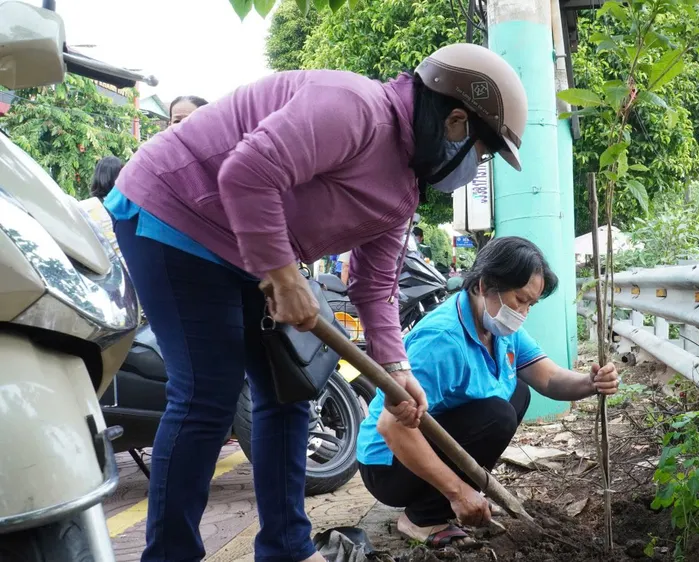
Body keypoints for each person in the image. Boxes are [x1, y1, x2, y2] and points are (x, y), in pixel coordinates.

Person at [103, 42, 529, 562]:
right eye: (482, 152)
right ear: (456, 121)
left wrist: (396, 371)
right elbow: (246, 173)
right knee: (207, 395)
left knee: (289, 392)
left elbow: (373, 284)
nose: (474, 165)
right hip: (174, 214)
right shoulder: (353, 107)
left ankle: (287, 548)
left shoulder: (403, 189)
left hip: (246, 247)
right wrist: (282, 275)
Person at [356, 237, 620, 548]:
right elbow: (392, 427)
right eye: (519, 299)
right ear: (484, 285)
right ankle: (423, 518)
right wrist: (457, 490)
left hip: (429, 444)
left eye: (530, 304)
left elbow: (548, 378)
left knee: (518, 392)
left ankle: (453, 497)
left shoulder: (499, 330)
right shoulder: (441, 341)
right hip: (388, 465)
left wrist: (590, 383)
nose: (523, 312)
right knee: (496, 414)